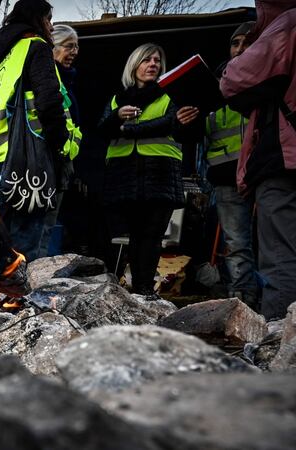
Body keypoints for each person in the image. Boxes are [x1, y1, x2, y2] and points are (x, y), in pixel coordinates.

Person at [220, 0, 296, 321]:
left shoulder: (289, 22)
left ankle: (279, 350)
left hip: (283, 163)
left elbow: (233, 80)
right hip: (241, 175)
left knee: (281, 257)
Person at [97, 43, 192, 296]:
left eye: (157, 61)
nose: (153, 64)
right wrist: (117, 117)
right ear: (134, 65)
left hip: (160, 173)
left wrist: (128, 129)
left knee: (151, 236)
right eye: (146, 60)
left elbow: (170, 123)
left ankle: (145, 290)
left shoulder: (170, 94)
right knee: (134, 236)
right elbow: (100, 132)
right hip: (125, 175)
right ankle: (135, 291)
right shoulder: (117, 100)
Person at [176, 22, 258, 308]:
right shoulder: (213, 84)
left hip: (266, 173)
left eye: (247, 42)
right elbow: (196, 135)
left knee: (275, 243)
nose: (240, 49)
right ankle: (243, 303)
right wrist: (187, 121)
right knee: (236, 243)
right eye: (235, 43)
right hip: (225, 175)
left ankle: (278, 305)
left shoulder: (269, 77)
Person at [0, 0, 70, 259]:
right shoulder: (36, 47)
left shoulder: (1, 61)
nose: (51, 26)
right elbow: (49, 102)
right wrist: (59, 145)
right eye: (48, 19)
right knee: (28, 249)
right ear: (36, 19)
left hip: (4, 161)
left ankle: (3, 298)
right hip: (31, 161)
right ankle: (25, 299)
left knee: (8, 244)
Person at [36, 23, 83, 257]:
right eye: (68, 46)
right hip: (47, 162)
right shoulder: (48, 79)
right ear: (52, 47)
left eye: (76, 47)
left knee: (48, 227)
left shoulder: (67, 81)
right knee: (40, 228)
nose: (74, 52)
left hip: (62, 162)